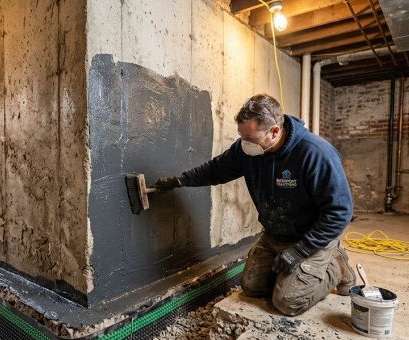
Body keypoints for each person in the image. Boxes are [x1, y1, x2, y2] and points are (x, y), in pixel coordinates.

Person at [153, 94, 356, 316]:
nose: (245, 145)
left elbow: (339, 212)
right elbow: (215, 169)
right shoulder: (248, 151)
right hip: (275, 235)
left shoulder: (315, 153)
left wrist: (301, 250)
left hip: (311, 239)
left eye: (250, 139)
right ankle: (302, 273)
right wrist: (179, 181)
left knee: (288, 302)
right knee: (252, 287)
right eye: (242, 137)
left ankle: (335, 265)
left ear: (275, 131)